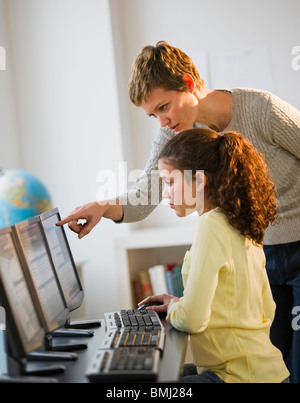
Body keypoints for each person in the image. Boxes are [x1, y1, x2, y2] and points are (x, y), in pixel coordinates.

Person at [57, 41, 300, 381]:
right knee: (274, 361)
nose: (162, 121)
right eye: (153, 115)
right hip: (264, 251)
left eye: (164, 106)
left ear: (188, 83)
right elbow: (144, 196)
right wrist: (102, 206)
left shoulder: (261, 109)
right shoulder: (176, 134)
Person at [138, 127, 289, 383]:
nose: (166, 193)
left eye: (170, 182)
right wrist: (181, 303)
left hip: (236, 376)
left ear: (197, 181)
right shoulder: (241, 222)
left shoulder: (210, 225)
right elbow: (266, 308)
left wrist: (177, 307)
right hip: (266, 372)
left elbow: (193, 320)